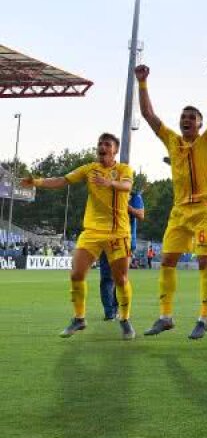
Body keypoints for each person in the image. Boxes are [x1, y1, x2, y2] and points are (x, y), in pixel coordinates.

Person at [136, 61, 207, 340]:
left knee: (203, 263)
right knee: (166, 261)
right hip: (178, 210)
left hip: (203, 208)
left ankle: (204, 318)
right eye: (183, 116)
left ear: (199, 124)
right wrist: (142, 82)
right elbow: (148, 114)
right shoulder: (172, 141)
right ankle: (165, 317)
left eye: (191, 117)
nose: (186, 119)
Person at [21, 133, 137, 339]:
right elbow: (62, 180)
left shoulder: (123, 169)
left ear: (115, 150)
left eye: (107, 144)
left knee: (120, 279)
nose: (102, 147)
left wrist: (109, 183)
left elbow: (127, 186)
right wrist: (36, 182)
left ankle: (125, 319)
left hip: (118, 233)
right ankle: (79, 318)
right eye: (100, 143)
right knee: (76, 274)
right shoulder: (89, 169)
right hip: (92, 231)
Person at [98, 188, 144, 321]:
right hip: (106, 239)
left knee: (121, 278)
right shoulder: (106, 193)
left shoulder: (135, 196)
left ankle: (117, 308)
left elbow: (141, 215)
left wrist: (125, 205)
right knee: (106, 278)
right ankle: (109, 312)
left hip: (125, 241)